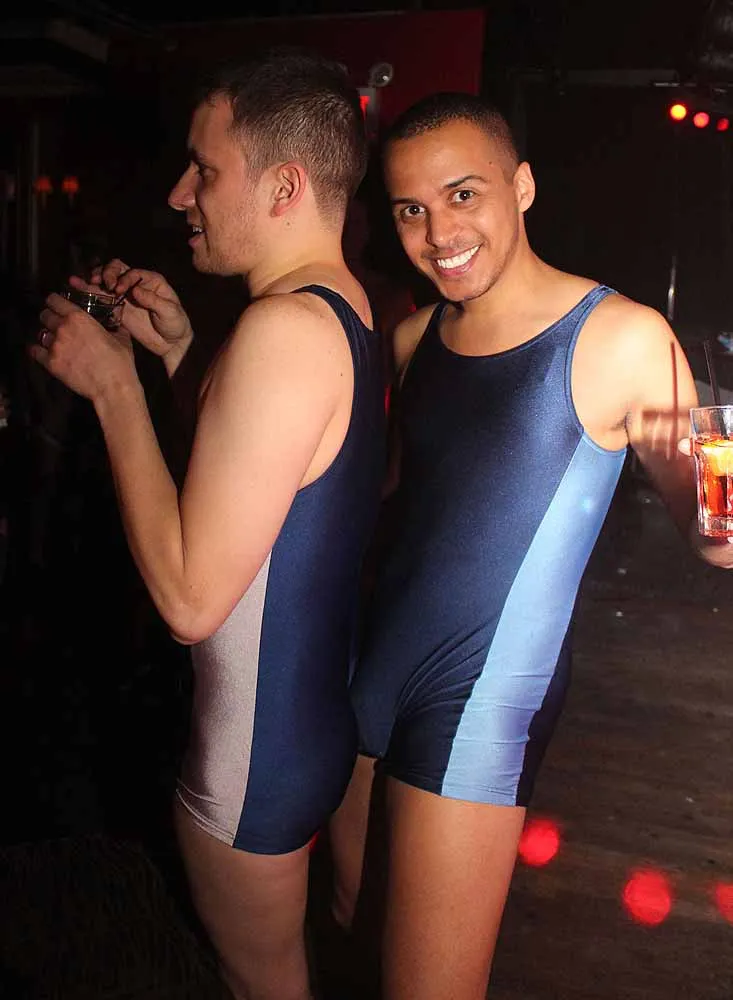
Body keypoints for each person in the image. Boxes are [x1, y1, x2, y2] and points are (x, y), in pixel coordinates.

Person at [326, 92, 733, 1000]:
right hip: (366, 678)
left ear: (521, 186)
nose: (438, 233)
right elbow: (399, 509)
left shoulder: (622, 336)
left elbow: (719, 542)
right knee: (351, 935)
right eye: (409, 209)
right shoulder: (410, 338)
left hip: (477, 703)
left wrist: (726, 464)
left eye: (462, 195)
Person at [31, 50, 385, 1000]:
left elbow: (191, 602)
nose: (180, 193)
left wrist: (112, 389)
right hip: (310, 728)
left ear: (284, 186)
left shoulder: (280, 332)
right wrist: (180, 353)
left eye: (204, 169)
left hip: (249, 764)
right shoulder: (339, 308)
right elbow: (273, 488)